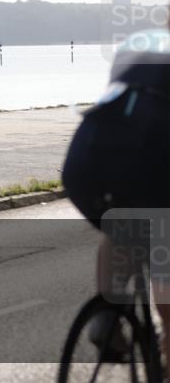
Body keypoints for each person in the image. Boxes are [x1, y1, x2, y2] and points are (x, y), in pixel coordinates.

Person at [62, 19, 170, 362]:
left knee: (121, 229)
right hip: (148, 155)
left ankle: (107, 317)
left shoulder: (140, 40)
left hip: (85, 158)